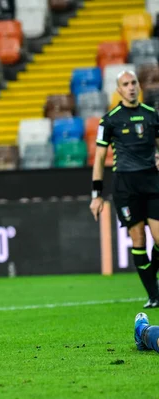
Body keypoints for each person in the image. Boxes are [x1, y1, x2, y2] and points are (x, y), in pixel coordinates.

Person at [90, 70, 159, 309]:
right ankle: (154, 294)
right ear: (118, 90)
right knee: (138, 238)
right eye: (125, 84)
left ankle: (153, 286)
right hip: (126, 186)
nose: (131, 87)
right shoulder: (110, 120)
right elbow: (99, 158)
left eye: (133, 83)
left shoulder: (152, 115)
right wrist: (96, 195)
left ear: (139, 86)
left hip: (152, 182)